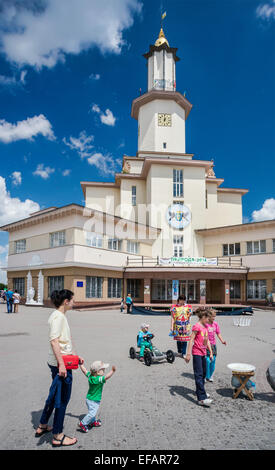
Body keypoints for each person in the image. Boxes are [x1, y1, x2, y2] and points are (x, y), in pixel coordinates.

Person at [35, 289, 84, 447]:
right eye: (72, 300)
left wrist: (75, 357)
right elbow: (54, 341)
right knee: (62, 399)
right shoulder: (57, 317)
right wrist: (62, 364)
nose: (74, 302)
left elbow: (67, 340)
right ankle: (58, 435)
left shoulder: (61, 316)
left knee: (54, 393)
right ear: (66, 301)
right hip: (60, 364)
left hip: (62, 361)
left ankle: (43, 424)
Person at [185, 308, 213, 407]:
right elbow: (191, 339)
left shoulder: (205, 327)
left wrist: (210, 352)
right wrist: (188, 354)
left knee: (204, 374)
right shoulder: (197, 326)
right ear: (203, 317)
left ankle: (200, 391)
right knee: (199, 374)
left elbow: (207, 340)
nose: (209, 320)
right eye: (208, 318)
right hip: (196, 353)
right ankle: (201, 398)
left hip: (203, 353)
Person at [78, 361, 116, 433]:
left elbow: (84, 371)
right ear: (98, 372)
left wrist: (81, 364)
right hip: (94, 400)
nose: (104, 371)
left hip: (89, 398)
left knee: (92, 412)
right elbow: (106, 377)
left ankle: (92, 421)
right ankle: (83, 423)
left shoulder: (90, 376)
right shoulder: (98, 379)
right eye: (103, 370)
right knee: (92, 413)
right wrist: (112, 371)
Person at [205, 309, 227, 382]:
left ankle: (210, 375)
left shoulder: (215, 324)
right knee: (207, 360)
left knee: (213, 360)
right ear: (208, 316)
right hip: (206, 345)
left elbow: (218, 333)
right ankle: (206, 376)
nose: (214, 318)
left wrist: (222, 341)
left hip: (213, 345)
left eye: (214, 316)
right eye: (213, 316)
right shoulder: (205, 324)